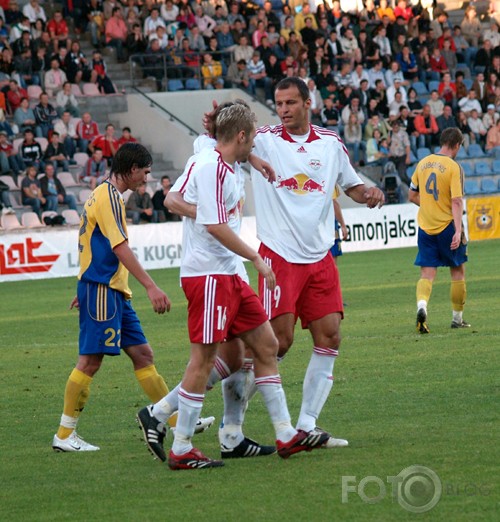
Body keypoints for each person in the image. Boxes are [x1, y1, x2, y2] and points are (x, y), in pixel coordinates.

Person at [137, 103, 331, 470]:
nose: (255, 143)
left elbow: (200, 190)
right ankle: (181, 447)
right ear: (241, 136)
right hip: (209, 275)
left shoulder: (219, 161)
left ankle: (286, 433)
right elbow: (214, 225)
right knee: (204, 359)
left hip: (228, 272)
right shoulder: (212, 167)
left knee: (266, 344)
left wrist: (252, 161)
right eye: (253, 137)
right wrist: (256, 258)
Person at [207, 78, 385, 448]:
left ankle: (306, 426)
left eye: (290, 103)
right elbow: (221, 141)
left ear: (308, 103)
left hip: (320, 257)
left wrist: (367, 193)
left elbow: (349, 185)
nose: (284, 110)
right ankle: (228, 425)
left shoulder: (331, 143)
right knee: (277, 344)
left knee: (330, 336)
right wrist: (245, 149)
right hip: (279, 256)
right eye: (279, 103)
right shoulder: (265, 139)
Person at [52, 143, 173, 452]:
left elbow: (91, 241)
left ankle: (173, 419)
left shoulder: (105, 194)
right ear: (131, 169)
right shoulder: (108, 198)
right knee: (90, 361)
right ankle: (65, 435)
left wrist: (85, 284)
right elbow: (120, 247)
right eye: (144, 172)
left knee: (143, 354)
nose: (146, 178)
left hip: (112, 290)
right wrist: (151, 286)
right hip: (103, 289)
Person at [408, 127, 470, 334]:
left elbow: (412, 195)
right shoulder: (453, 167)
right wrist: (458, 230)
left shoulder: (423, 162)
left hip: (425, 227)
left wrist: (429, 207)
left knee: (427, 273)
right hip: (447, 227)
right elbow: (456, 201)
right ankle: (457, 318)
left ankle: (422, 307)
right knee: (458, 270)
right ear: (457, 145)